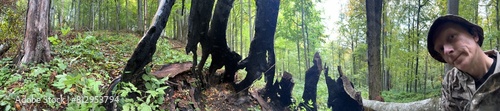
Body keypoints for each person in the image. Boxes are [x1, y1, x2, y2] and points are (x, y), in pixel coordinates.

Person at [427, 15, 500, 111]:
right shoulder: (451, 81)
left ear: (474, 35)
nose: (446, 51)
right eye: (441, 49)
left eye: (451, 37)